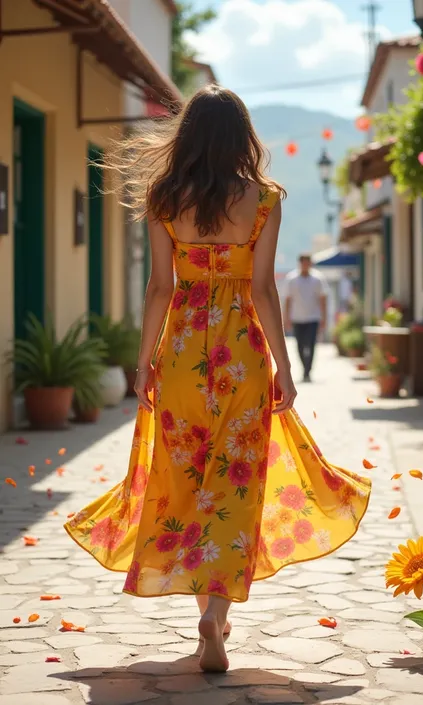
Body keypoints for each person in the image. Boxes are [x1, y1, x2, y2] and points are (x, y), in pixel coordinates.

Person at [64, 85, 371, 674]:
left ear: (188, 136)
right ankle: (216, 611)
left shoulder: (163, 197)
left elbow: (159, 287)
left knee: (185, 478)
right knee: (234, 481)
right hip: (242, 355)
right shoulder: (263, 199)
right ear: (241, 137)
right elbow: (261, 289)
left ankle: (204, 611)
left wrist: (144, 360)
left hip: (181, 352)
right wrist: (283, 364)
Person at [284, 254, 328, 382]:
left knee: (311, 344)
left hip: (313, 317)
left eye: (307, 263)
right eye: (303, 263)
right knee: (300, 345)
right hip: (297, 318)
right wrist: (286, 318)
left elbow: (323, 299)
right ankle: (304, 367)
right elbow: (288, 300)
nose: (305, 265)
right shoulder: (292, 279)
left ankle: (307, 371)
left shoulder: (317, 279)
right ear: (300, 263)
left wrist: (324, 318)